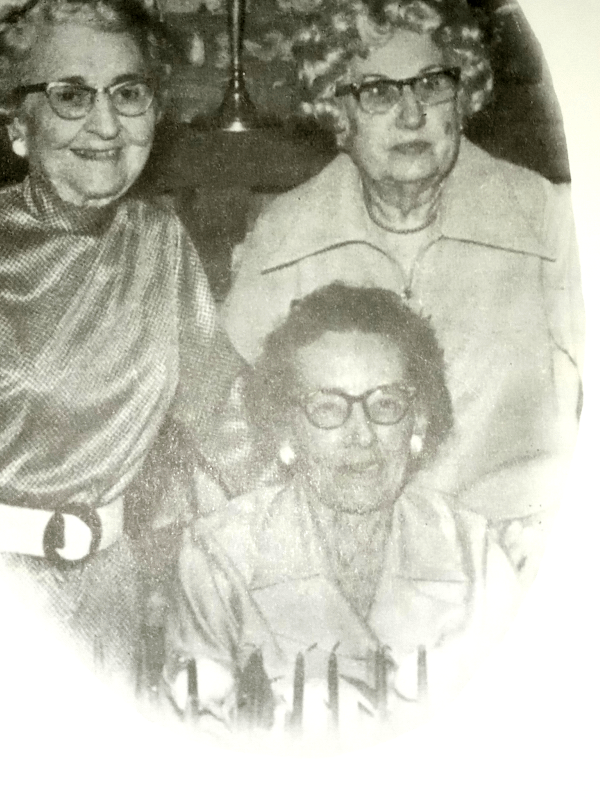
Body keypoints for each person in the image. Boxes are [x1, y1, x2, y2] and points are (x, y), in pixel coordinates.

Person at [0, 0, 258, 683]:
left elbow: (225, 416)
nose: (105, 126)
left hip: (113, 595)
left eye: (128, 93)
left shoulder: (160, 242)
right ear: (18, 121)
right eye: (71, 95)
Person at [222, 0, 584, 576]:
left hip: (518, 554)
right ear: (339, 113)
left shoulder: (545, 219)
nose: (412, 114)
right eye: (378, 93)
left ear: (461, 97)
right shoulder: (286, 235)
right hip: (343, 567)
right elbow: (236, 424)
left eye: (432, 84)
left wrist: (564, 522)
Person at [164, 284, 520, 741]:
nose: (362, 435)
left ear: (419, 421)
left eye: (386, 404)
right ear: (285, 429)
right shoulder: (219, 557)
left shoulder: (474, 553)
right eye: (328, 408)